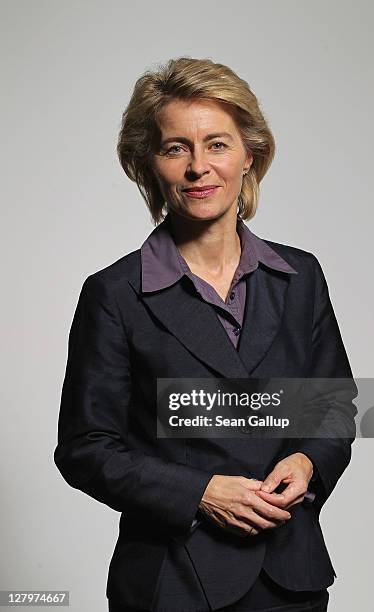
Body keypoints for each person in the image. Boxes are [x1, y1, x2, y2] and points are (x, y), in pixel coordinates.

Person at [54, 57, 358, 612]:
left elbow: (335, 403)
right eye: (176, 148)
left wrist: (309, 461)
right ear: (150, 164)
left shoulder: (301, 277)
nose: (199, 167)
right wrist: (199, 493)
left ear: (250, 154)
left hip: (291, 576)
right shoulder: (114, 293)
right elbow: (84, 448)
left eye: (216, 144)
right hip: (172, 582)